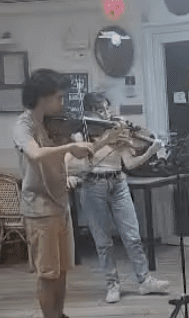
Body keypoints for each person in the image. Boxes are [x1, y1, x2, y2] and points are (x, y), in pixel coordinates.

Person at [12, 69, 104, 318]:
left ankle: (59, 314)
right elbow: (35, 154)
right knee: (47, 273)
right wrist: (70, 146)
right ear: (43, 97)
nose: (63, 103)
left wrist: (100, 141)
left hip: (61, 205)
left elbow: (65, 156)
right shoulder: (24, 126)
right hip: (40, 211)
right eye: (59, 98)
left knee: (62, 270)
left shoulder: (54, 124)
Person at [67, 93, 170, 303]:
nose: (105, 114)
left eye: (106, 109)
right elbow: (77, 160)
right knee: (103, 241)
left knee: (132, 237)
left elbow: (129, 164)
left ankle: (145, 281)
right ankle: (112, 284)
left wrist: (152, 150)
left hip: (119, 183)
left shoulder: (117, 131)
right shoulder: (81, 134)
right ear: (88, 112)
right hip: (93, 185)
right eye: (99, 110)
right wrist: (106, 139)